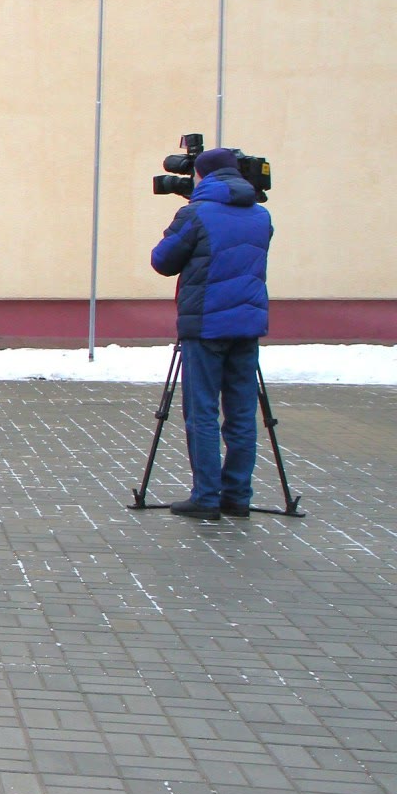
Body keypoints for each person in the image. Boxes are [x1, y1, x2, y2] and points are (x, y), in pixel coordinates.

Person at [150, 147, 273, 521]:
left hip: (205, 324)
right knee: (240, 413)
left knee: (201, 412)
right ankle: (237, 495)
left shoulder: (195, 214)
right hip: (247, 325)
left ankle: (206, 496)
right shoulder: (261, 215)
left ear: (201, 177)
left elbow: (162, 261)